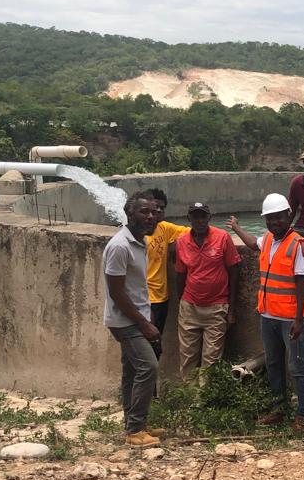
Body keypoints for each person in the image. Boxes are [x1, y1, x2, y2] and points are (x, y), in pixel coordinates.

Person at [229, 194, 304, 432]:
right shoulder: (267, 239)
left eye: (278, 217)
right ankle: (279, 409)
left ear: (289, 215)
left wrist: (299, 319)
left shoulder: (298, 245)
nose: (274, 222)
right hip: (268, 315)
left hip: (290, 318)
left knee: (298, 367)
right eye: (269, 218)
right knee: (274, 364)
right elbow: (252, 243)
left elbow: (301, 282)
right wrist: (236, 227)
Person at [103, 191, 163, 447]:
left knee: (132, 371)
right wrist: (143, 323)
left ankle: (134, 424)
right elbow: (116, 292)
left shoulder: (139, 242)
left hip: (135, 317)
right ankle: (135, 430)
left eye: (154, 212)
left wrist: (146, 316)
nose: (151, 217)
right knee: (148, 367)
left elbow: (134, 286)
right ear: (129, 214)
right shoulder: (120, 246)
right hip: (125, 321)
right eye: (144, 212)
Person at [174, 202, 241, 381]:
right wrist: (182, 303)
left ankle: (204, 396)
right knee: (187, 357)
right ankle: (189, 394)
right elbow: (180, 275)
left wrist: (231, 310)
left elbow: (234, 272)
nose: (199, 220)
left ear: (209, 218)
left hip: (217, 307)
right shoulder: (182, 242)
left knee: (211, 361)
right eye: (195, 217)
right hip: (189, 307)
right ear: (189, 219)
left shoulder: (222, 237)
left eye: (203, 216)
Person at [144, 188, 189, 358]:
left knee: (156, 343)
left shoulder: (165, 228)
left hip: (162, 298)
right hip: (145, 298)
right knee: (145, 345)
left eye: (162, 208)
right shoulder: (138, 234)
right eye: (155, 207)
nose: (158, 211)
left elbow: (191, 232)